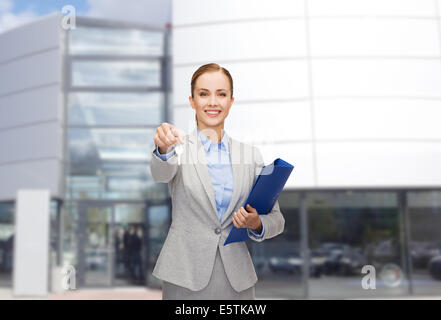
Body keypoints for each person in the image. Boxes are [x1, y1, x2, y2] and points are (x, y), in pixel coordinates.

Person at [151, 63, 285, 299]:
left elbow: (277, 219)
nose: (212, 102)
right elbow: (161, 174)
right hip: (184, 276)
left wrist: (256, 224)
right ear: (192, 101)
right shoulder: (177, 146)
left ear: (231, 101)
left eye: (221, 94)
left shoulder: (250, 155)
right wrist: (163, 148)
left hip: (237, 279)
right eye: (204, 94)